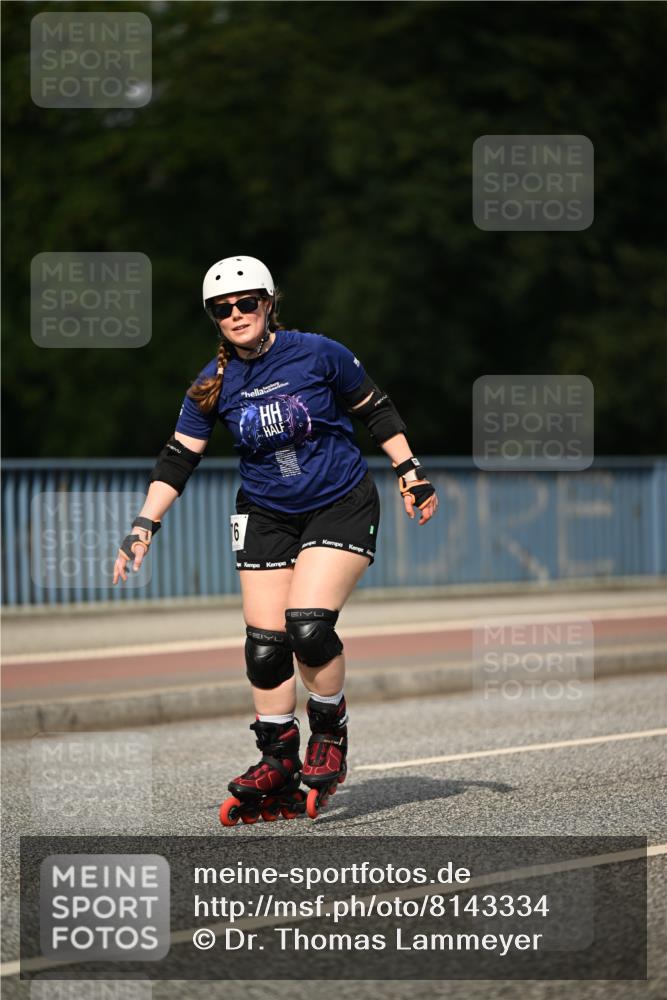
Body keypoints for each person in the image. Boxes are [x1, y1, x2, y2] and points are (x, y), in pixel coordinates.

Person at [113, 255, 439, 822]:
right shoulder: (212, 383)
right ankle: (278, 758)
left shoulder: (318, 353)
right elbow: (177, 460)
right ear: (214, 318)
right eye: (223, 309)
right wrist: (144, 526)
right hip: (265, 513)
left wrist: (411, 471)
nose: (236, 314)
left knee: (308, 627)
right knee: (265, 647)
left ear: (268, 303)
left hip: (339, 501)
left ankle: (330, 730)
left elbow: (377, 410)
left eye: (246, 303)